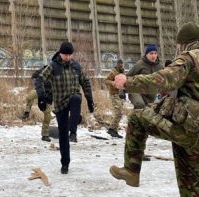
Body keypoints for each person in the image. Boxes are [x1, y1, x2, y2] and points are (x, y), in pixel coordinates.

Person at [109, 22, 199, 197]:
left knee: (138, 118)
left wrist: (128, 82)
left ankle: (131, 171)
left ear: (183, 43)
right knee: (191, 186)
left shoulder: (189, 58)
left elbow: (162, 79)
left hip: (185, 128)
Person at [35, 41, 94, 174]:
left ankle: (73, 132)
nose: (67, 57)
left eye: (69, 55)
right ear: (60, 53)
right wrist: (41, 97)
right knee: (62, 135)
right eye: (64, 55)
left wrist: (90, 100)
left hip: (73, 99)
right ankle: (65, 163)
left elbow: (85, 82)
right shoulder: (53, 66)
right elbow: (39, 79)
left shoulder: (76, 67)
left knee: (77, 98)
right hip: (60, 103)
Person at [126, 44, 163, 109]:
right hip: (137, 91)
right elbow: (127, 77)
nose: (153, 56)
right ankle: (136, 115)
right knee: (140, 105)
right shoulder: (140, 64)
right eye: (151, 53)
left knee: (158, 108)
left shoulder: (160, 66)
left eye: (155, 53)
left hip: (153, 94)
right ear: (146, 54)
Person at [21, 65, 53, 142]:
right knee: (29, 97)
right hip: (40, 91)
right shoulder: (45, 68)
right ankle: (27, 112)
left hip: (49, 95)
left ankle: (45, 135)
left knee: (48, 115)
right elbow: (35, 76)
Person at [103, 59, 125, 138]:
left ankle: (114, 130)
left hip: (120, 95)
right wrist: (113, 83)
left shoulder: (122, 72)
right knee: (118, 112)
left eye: (122, 64)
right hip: (114, 94)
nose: (121, 65)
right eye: (119, 64)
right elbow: (105, 81)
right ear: (117, 64)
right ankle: (112, 129)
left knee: (120, 112)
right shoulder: (113, 72)